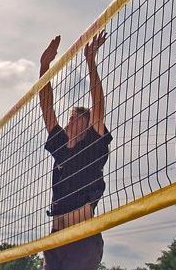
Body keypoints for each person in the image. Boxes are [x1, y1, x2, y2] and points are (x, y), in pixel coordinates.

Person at [39, 30, 113, 270]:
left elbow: (98, 104)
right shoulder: (61, 147)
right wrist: (44, 66)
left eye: (75, 117)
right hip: (55, 238)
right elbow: (47, 107)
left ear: (86, 123)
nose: (69, 121)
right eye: (69, 117)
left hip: (81, 238)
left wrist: (90, 62)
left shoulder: (92, 145)